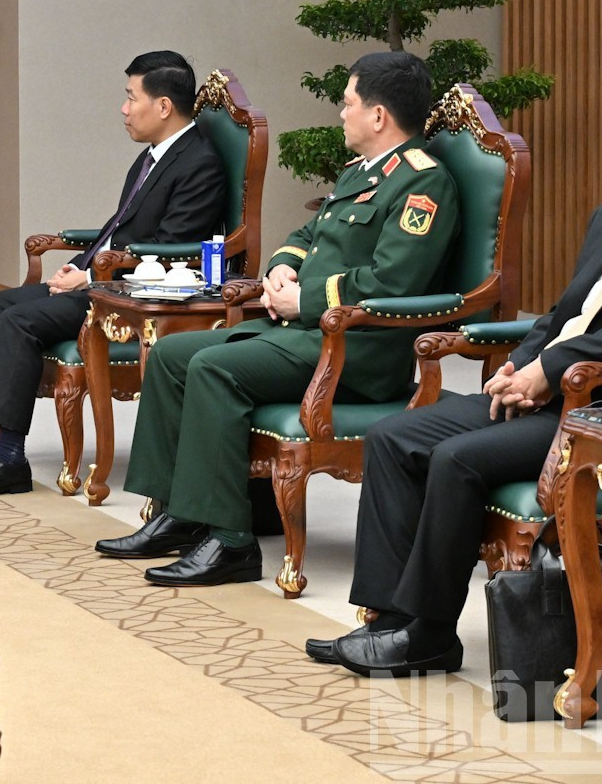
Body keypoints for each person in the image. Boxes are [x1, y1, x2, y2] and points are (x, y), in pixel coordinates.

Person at [311, 93, 602, 677]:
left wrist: (552, 368)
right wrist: (523, 363)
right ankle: (389, 622)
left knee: (457, 459)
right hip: (550, 391)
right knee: (392, 438)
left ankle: (431, 635)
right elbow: (568, 311)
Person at [105, 50, 460, 584]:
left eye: (348, 104)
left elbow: (395, 282)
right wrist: (280, 274)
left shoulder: (422, 184)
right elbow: (306, 237)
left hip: (356, 350)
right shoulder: (360, 172)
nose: (341, 114)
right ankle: (180, 513)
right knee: (172, 353)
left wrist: (307, 299)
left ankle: (231, 541)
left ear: (379, 116)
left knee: (212, 368)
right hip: (301, 332)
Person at [0, 51, 228, 498]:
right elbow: (124, 227)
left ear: (163, 106)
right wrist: (85, 263)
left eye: (131, 98)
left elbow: (166, 254)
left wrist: (90, 280)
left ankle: (8, 457)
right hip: (98, 280)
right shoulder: (154, 156)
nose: (123, 109)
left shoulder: (198, 163)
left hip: (128, 298)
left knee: (18, 321)